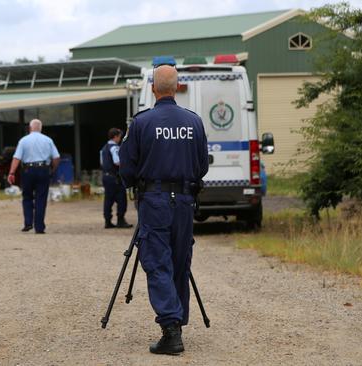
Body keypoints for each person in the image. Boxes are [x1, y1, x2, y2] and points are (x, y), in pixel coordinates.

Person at [119, 65, 209, 355]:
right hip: (184, 201)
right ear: (177, 87)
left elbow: (127, 168)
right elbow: (202, 166)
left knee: (158, 262)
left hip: (155, 201)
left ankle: (171, 331)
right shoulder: (193, 122)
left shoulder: (142, 123)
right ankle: (177, 322)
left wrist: (135, 183)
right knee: (180, 261)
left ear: (154, 89)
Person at [8, 119, 60, 234]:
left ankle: (28, 223)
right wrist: (52, 169)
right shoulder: (48, 140)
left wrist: (11, 172)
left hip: (28, 170)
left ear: (30, 128)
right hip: (43, 169)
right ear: (41, 128)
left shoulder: (23, 140)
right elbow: (56, 157)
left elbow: (17, 158)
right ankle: (39, 227)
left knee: (27, 197)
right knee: (41, 198)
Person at [100, 128, 133, 229]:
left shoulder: (104, 148)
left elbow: (102, 162)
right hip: (114, 177)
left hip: (106, 175)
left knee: (108, 200)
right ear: (115, 137)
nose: (120, 138)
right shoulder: (115, 148)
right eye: (119, 136)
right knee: (121, 198)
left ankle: (108, 221)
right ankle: (120, 220)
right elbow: (117, 162)